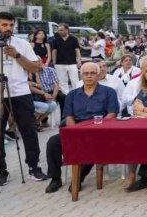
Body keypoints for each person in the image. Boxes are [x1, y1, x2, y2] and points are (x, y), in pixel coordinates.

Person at [43, 62, 120, 193]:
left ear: (98, 74)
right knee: (53, 143)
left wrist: (93, 131)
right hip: (76, 131)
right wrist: (75, 133)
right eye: (86, 73)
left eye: (92, 73)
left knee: (91, 145)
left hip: (99, 132)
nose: (89, 76)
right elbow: (68, 117)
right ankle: (55, 178)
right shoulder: (72, 95)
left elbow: (111, 114)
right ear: (81, 75)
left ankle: (78, 178)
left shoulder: (109, 92)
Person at [0, 12, 47, 186]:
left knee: (29, 131)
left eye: (10, 25)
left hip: (21, 93)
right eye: (4, 25)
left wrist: (16, 55)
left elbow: (35, 68)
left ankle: (33, 167)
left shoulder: (22, 44)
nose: (8, 28)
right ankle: (1, 171)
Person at [51, 23, 81, 94]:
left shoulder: (73, 39)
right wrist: (54, 63)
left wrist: (79, 60)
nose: (60, 32)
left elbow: (77, 50)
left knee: (75, 81)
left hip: (72, 63)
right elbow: (54, 52)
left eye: (61, 30)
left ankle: (76, 96)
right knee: (62, 82)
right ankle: (66, 97)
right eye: (58, 30)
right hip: (59, 64)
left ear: (66, 30)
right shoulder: (56, 40)